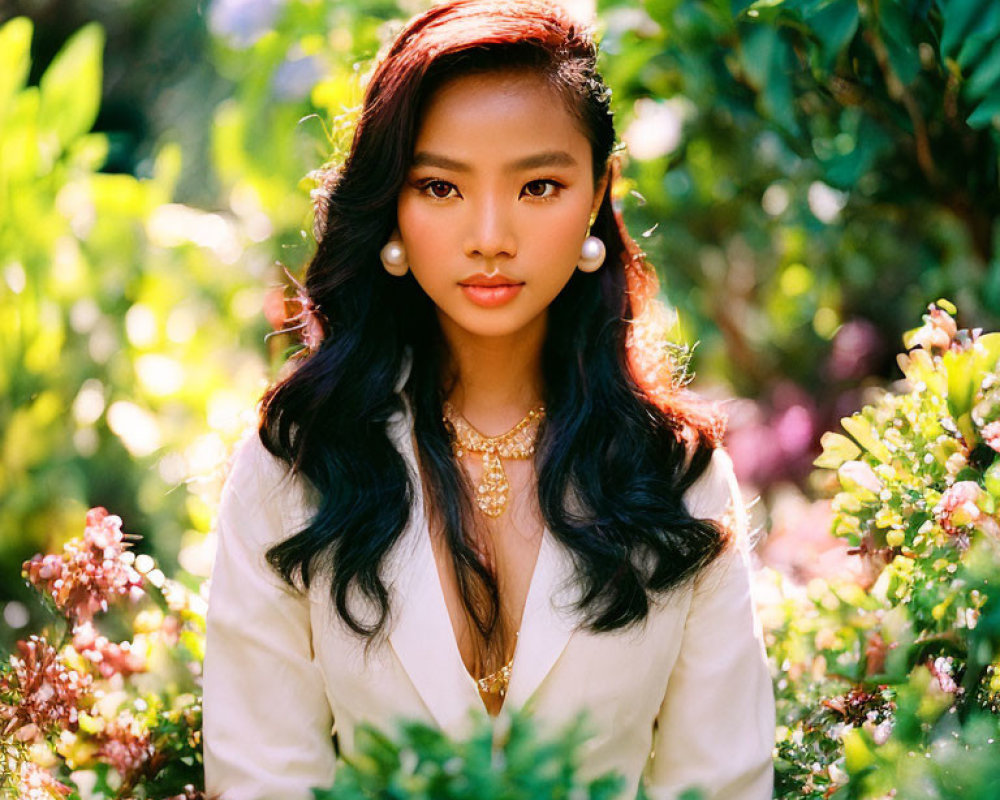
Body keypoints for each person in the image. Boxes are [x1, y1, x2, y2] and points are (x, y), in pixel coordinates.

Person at [202, 0, 775, 797]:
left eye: (538, 185)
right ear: (391, 204)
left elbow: (722, 783)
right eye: (441, 187)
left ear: (598, 192)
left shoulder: (675, 479)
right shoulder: (298, 465)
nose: (490, 235)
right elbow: (263, 777)